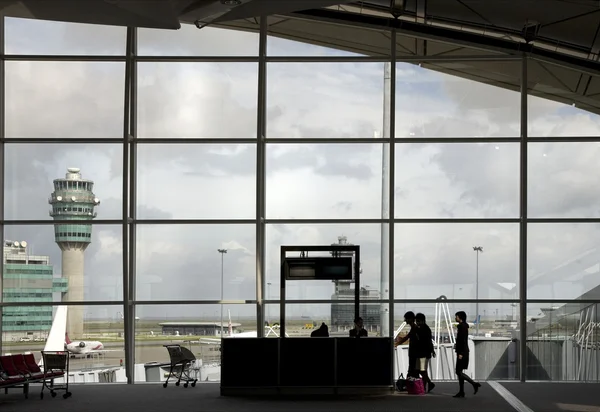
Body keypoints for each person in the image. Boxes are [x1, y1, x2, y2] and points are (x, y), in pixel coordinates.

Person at [454, 311, 481, 398]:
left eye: (456, 317)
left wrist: (460, 353)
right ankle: (461, 391)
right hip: (463, 351)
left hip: (462, 352)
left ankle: (473, 383)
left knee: (458, 371)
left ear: (460, 317)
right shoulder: (463, 326)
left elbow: (462, 340)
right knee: (460, 372)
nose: (455, 318)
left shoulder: (462, 327)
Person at [415, 313, 435, 393]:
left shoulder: (425, 329)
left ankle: (425, 385)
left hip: (424, 352)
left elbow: (428, 341)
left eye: (418, 321)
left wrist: (432, 350)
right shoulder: (423, 328)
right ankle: (428, 384)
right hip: (421, 352)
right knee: (420, 370)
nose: (417, 322)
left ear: (422, 321)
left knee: (422, 370)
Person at [394, 311, 418, 377]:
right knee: (414, 370)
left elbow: (407, 337)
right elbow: (407, 337)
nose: (405, 320)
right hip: (413, 353)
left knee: (412, 370)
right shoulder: (414, 328)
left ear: (410, 319)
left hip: (414, 353)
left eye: (406, 318)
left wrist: (396, 344)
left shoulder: (415, 328)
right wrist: (397, 343)